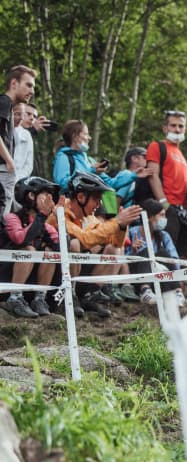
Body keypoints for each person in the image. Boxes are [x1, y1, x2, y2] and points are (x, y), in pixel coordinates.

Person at [46, 171, 143, 318]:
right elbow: (85, 239)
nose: (100, 204)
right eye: (96, 199)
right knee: (75, 244)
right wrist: (116, 222)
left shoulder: (89, 217)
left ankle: (88, 295)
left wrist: (122, 226)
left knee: (113, 250)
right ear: (80, 197)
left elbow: (116, 243)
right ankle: (69, 295)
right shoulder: (59, 212)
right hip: (54, 279)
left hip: (78, 275)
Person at [2, 177, 60, 317]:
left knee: (50, 252)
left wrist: (60, 220)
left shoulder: (45, 225)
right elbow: (21, 239)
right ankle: (14, 299)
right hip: (5, 278)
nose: (49, 199)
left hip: (31, 281)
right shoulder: (11, 218)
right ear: (31, 195)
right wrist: (42, 216)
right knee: (29, 250)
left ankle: (40, 299)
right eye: (46, 194)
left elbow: (62, 248)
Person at [141, 110, 187, 260]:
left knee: (184, 256)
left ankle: (181, 284)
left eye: (181, 126)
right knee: (167, 254)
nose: (177, 129)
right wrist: (164, 204)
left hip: (184, 212)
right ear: (165, 128)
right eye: (173, 125)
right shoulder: (157, 146)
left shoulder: (182, 155)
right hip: (167, 208)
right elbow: (152, 175)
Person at [53, 120, 150, 195]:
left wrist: (133, 175)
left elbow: (111, 183)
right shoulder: (63, 157)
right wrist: (91, 171)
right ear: (75, 136)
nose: (89, 138)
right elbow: (62, 184)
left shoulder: (90, 161)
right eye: (86, 134)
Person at [124, 198, 183, 305]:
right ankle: (145, 291)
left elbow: (175, 261)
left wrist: (158, 265)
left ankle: (177, 293)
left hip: (161, 277)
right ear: (150, 217)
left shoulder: (164, 236)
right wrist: (133, 250)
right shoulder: (132, 233)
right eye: (161, 215)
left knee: (163, 254)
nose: (164, 219)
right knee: (146, 251)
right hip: (138, 277)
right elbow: (123, 262)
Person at [0, 65, 37, 214]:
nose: (32, 91)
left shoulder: (7, 106)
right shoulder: (4, 102)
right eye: (28, 85)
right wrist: (9, 161)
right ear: (14, 84)